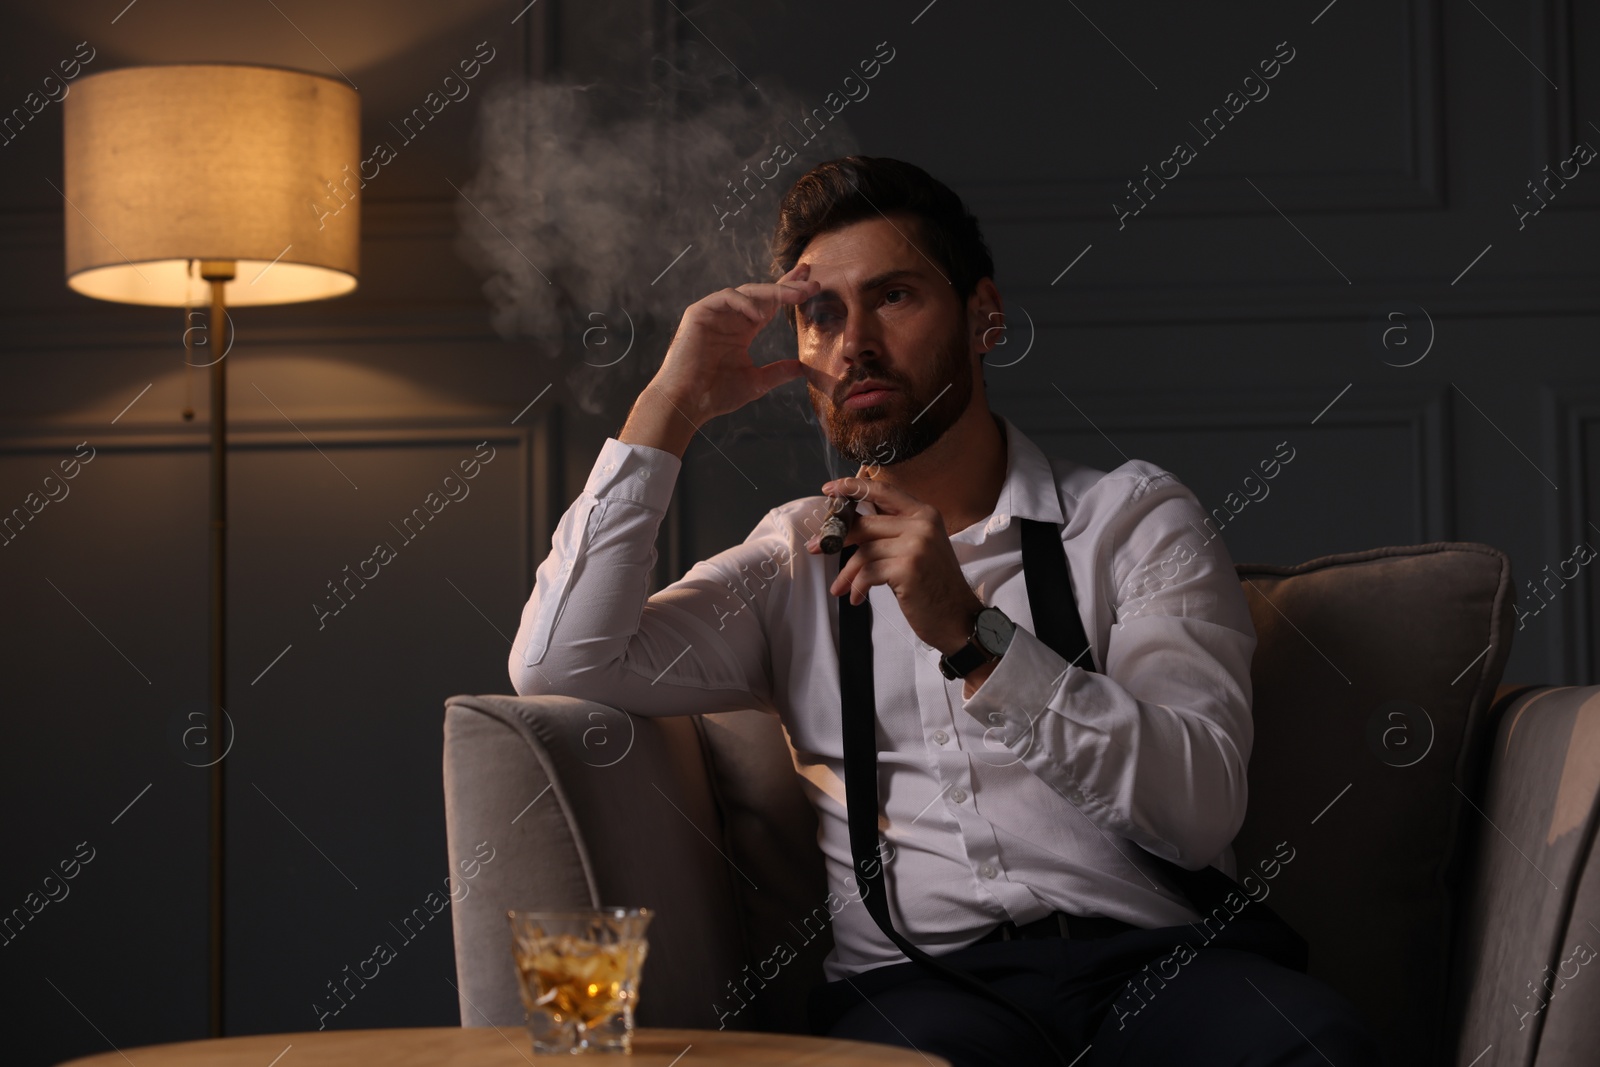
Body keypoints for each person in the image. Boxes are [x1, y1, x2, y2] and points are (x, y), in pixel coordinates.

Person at [508, 156, 1381, 1065]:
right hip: (917, 990)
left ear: (984, 314)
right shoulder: (792, 557)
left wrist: (973, 634)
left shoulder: (1133, 519)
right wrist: (670, 405)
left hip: (1163, 966)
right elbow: (560, 661)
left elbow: (1199, 809)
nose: (856, 344)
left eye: (894, 296)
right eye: (822, 312)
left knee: (1312, 1046)